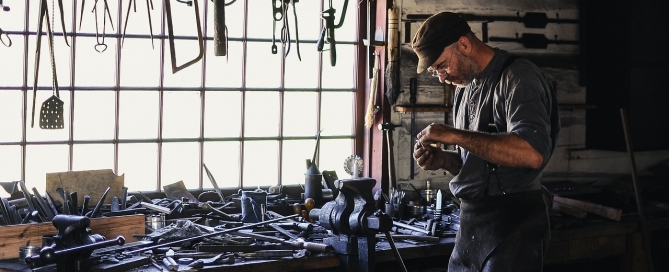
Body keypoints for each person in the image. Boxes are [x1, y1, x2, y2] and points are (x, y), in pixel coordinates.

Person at [411, 12, 561, 271]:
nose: (442, 77)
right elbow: (481, 164)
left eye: (442, 65)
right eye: (436, 72)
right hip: (472, 223)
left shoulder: (517, 77)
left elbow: (532, 153)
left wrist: (455, 134)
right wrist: (445, 159)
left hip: (513, 223)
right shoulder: (465, 89)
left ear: (464, 45)